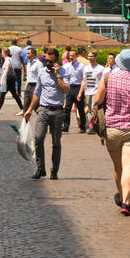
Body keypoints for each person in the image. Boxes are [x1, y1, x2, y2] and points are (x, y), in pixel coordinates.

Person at [95, 47, 130, 215]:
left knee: (118, 166)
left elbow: (97, 99)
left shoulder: (108, 77)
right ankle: (126, 202)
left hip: (112, 127)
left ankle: (122, 198)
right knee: (129, 165)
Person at [22, 46, 70, 179]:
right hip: (43, 109)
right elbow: (37, 93)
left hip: (58, 111)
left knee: (56, 142)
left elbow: (66, 90)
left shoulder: (64, 72)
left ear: (56, 62)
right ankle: (40, 168)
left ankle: (54, 171)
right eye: (46, 61)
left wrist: (58, 75)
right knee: (38, 137)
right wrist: (30, 109)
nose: (48, 64)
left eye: (51, 62)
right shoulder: (42, 72)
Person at [61, 49, 87, 133]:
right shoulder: (67, 66)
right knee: (67, 108)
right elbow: (65, 77)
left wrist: (81, 91)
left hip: (78, 87)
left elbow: (84, 79)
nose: (71, 57)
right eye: (70, 55)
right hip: (70, 88)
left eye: (72, 55)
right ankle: (66, 126)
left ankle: (82, 127)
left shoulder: (81, 66)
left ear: (76, 56)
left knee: (80, 108)